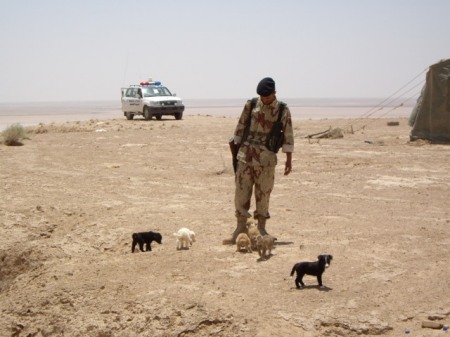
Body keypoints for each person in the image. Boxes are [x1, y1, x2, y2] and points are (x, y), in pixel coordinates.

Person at [223, 77, 294, 245]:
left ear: (274, 93)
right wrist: (236, 153)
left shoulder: (283, 110)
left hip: (266, 160)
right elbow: (240, 128)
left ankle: (261, 228)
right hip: (245, 157)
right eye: (263, 97)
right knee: (241, 194)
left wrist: (289, 160)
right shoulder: (251, 104)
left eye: (268, 96)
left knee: (263, 195)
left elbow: (289, 135)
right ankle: (240, 228)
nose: (265, 99)